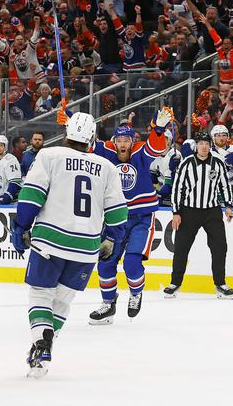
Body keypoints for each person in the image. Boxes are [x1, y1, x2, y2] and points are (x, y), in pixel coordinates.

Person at [11, 112, 127, 378]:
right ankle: (44, 352)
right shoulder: (107, 167)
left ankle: (41, 338)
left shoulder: (48, 156)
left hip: (50, 242)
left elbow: (31, 197)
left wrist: (21, 226)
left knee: (41, 295)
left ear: (65, 135)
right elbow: (119, 213)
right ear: (92, 139)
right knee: (62, 302)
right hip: (86, 248)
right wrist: (111, 239)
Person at [88, 107, 172, 323]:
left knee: (132, 263)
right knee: (105, 263)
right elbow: (85, 142)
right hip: (114, 219)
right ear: (114, 141)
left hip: (141, 217)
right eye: (120, 140)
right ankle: (108, 304)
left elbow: (156, 147)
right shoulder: (106, 151)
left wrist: (159, 130)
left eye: (127, 140)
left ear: (133, 141)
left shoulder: (139, 152)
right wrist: (70, 122)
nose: (123, 144)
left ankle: (136, 294)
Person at [167, 131, 233, 299]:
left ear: (210, 145)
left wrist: (228, 205)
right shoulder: (186, 163)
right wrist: (176, 211)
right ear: (196, 145)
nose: (204, 146)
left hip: (212, 211)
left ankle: (220, 283)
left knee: (220, 246)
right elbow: (177, 188)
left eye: (206, 143)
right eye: (200, 143)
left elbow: (225, 185)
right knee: (181, 248)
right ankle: (175, 283)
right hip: (189, 211)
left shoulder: (218, 162)